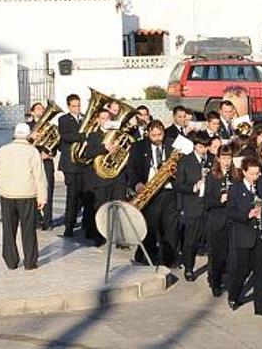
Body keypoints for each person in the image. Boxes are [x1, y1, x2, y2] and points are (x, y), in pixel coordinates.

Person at [0, 123, 48, 270]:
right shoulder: (32, 151)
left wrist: (3, 182)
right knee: (28, 229)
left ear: (14, 134)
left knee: (8, 229)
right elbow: (39, 177)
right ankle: (30, 262)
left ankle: (11, 261)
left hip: (7, 195)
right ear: (28, 136)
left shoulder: (2, 150)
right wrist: (42, 197)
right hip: (27, 195)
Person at [127, 120, 178, 267]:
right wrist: (137, 183)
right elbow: (131, 168)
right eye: (154, 135)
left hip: (169, 191)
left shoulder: (172, 144)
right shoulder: (138, 146)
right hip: (149, 190)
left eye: (160, 134)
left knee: (170, 228)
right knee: (151, 226)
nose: (157, 138)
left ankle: (169, 260)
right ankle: (148, 257)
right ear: (148, 133)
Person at [226, 157, 262, 315]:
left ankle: (260, 307)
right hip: (244, 234)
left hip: (259, 234)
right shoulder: (236, 189)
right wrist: (246, 215)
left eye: (257, 173)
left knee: (260, 271)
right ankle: (234, 295)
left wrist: (261, 209)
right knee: (242, 270)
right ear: (244, 172)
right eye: (251, 174)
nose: (255, 177)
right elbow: (230, 211)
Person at [81, 108, 122, 247]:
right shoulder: (93, 135)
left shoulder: (118, 135)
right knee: (100, 207)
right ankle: (98, 235)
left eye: (108, 118)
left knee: (114, 207)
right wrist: (105, 148)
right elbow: (88, 153)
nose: (105, 121)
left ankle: (115, 235)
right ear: (98, 120)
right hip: (98, 178)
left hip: (114, 177)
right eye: (103, 118)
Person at [175, 131, 210, 281]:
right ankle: (189, 268)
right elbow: (179, 185)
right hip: (193, 205)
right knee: (191, 241)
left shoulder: (212, 160)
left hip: (209, 205)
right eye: (201, 147)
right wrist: (194, 187)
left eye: (206, 146)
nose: (204, 150)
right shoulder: (185, 161)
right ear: (195, 146)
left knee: (211, 241)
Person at [204, 145, 237, 297]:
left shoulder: (236, 175)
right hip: (217, 219)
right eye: (224, 158)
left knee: (232, 255)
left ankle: (231, 284)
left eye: (229, 158)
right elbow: (206, 202)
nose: (227, 161)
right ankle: (216, 283)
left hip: (232, 220)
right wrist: (220, 199)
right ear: (218, 158)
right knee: (217, 255)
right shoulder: (212, 176)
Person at [57, 94, 86, 238]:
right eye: (74, 106)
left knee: (85, 196)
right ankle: (69, 227)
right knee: (72, 196)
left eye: (78, 105)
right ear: (69, 106)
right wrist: (84, 136)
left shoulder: (86, 118)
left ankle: (86, 225)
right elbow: (66, 137)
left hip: (84, 164)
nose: (77, 108)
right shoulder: (63, 119)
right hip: (70, 164)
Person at [27, 102, 56, 231]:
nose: (41, 111)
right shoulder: (27, 127)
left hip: (46, 163)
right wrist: (30, 137)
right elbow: (18, 143)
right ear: (32, 112)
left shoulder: (51, 127)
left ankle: (47, 221)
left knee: (48, 191)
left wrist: (50, 154)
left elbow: (56, 144)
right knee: (33, 191)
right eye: (38, 109)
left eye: (43, 109)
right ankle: (36, 218)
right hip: (32, 164)